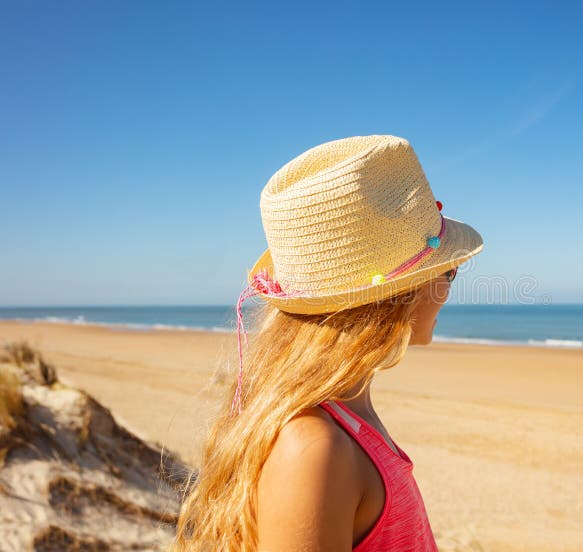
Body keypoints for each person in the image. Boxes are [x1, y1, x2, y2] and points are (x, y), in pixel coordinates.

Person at [172, 135, 484, 551]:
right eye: (449, 272)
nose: (448, 288)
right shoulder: (315, 450)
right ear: (397, 296)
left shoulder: (347, 415)